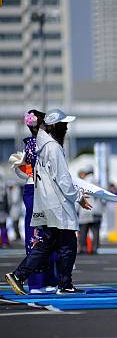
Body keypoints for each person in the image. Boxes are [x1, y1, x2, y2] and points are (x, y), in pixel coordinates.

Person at [5, 109, 92, 295]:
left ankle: (19, 275)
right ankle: (64, 284)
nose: (66, 128)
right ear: (54, 126)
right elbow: (62, 179)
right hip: (57, 202)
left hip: (45, 200)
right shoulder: (53, 147)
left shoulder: (40, 145)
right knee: (68, 243)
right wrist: (78, 198)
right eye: (64, 125)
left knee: (47, 243)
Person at [8, 110, 61, 293]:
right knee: (43, 234)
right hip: (41, 189)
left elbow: (22, 171)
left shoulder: (31, 144)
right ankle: (41, 281)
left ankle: (41, 281)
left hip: (33, 188)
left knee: (40, 234)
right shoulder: (45, 144)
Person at [77, 165, 104, 254]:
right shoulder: (98, 182)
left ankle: (83, 248)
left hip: (85, 210)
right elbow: (103, 198)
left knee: (83, 231)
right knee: (95, 231)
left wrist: (77, 210)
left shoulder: (83, 182)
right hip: (97, 210)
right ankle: (94, 248)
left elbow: (79, 196)